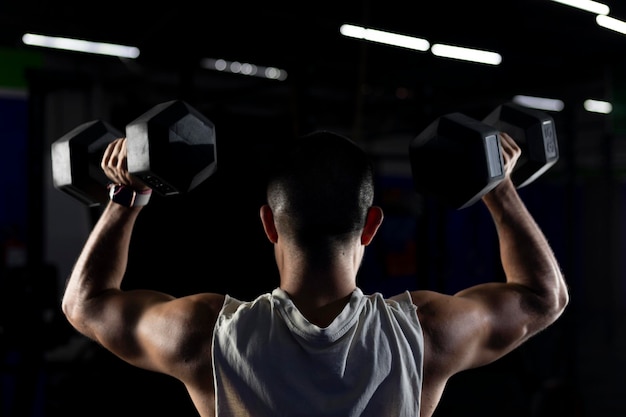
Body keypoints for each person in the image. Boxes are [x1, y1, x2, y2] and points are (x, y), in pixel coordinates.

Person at [62, 129, 569, 417]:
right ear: (372, 226)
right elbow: (543, 297)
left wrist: (127, 196)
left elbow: (85, 304)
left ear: (267, 224)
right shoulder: (425, 333)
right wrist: (497, 187)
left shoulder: (207, 333)